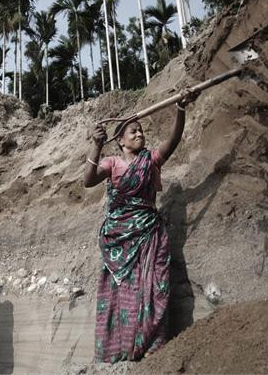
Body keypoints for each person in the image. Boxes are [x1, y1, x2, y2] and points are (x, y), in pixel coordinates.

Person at [84, 89, 200, 362]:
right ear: (121, 140)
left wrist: (180, 110)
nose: (140, 135)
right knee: (122, 293)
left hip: (149, 234)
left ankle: (152, 347)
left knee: (155, 287)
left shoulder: (149, 160)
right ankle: (123, 349)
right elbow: (87, 180)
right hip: (118, 239)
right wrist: (96, 145)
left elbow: (171, 143)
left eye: (142, 131)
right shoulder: (111, 162)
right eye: (133, 132)